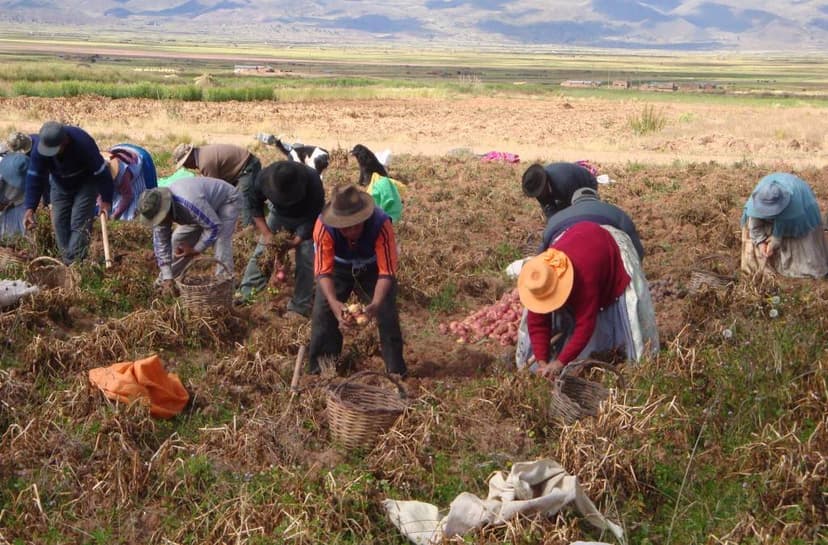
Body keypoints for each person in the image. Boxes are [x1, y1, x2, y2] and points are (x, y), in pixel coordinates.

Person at [517, 222, 658, 378]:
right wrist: (542, 361)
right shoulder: (541, 277)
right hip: (576, 237)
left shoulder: (585, 280)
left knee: (621, 338)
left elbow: (585, 325)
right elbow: (537, 322)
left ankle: (637, 372)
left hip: (607, 248)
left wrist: (560, 363)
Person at [308, 184, 406, 376]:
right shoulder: (323, 227)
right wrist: (334, 303)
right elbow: (323, 271)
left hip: (373, 267)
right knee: (323, 312)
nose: (350, 232)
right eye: (344, 228)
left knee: (387, 312)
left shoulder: (381, 223)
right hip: (338, 266)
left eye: (355, 226)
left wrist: (375, 304)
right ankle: (322, 370)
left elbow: (386, 271)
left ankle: (396, 371)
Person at [238, 161, 324, 316]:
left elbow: (313, 216)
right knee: (263, 252)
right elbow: (254, 206)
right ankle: (247, 293)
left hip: (306, 219)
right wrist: (267, 234)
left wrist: (297, 240)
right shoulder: (264, 178)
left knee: (305, 259)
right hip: (278, 215)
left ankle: (299, 306)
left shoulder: (312, 180)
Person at [23, 121, 114, 264]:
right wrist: (30, 208)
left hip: (86, 182)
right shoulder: (40, 149)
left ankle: (75, 264)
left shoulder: (83, 143)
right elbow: (35, 177)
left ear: (65, 141)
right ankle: (69, 262)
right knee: (59, 222)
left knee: (80, 223)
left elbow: (102, 172)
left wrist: (107, 199)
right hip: (59, 184)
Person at [136, 177, 240, 296]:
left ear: (167, 208)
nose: (161, 221)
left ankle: (224, 286)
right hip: (201, 213)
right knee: (178, 240)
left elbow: (214, 227)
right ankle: (166, 282)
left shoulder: (190, 202)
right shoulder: (156, 211)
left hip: (226, 201)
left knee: (221, 241)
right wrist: (167, 277)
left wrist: (196, 249)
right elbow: (161, 244)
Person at [740, 172, 828, 279]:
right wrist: (760, 242)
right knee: (751, 235)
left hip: (801, 213)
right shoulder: (754, 203)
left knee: (807, 261)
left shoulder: (795, 207)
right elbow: (754, 226)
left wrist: (775, 241)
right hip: (779, 209)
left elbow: (781, 227)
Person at [540, 187, 644, 261]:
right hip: (605, 257)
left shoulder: (556, 218)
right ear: (597, 199)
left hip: (566, 261)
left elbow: (542, 253)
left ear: (573, 202)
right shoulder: (616, 212)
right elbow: (636, 249)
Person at [172, 143, 261, 226]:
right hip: (239, 168)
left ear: (189, 158)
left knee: (243, 197)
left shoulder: (205, 163)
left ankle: (250, 228)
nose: (186, 167)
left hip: (248, 167)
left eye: (185, 164)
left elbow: (215, 191)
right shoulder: (201, 155)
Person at [522, 162, 598, 220]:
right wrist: (553, 222)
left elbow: (574, 207)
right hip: (565, 189)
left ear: (544, 184)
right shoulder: (540, 189)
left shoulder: (563, 183)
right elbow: (547, 208)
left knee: (582, 215)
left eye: (539, 192)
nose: (539, 196)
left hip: (587, 184)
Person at [101, 144, 157, 221]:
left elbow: (127, 196)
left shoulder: (122, 173)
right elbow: (98, 192)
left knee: (129, 213)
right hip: (120, 149)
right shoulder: (96, 172)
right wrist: (102, 208)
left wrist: (115, 215)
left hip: (137, 161)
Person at [0, 152, 29, 239]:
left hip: (16, 205)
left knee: (14, 236)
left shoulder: (26, 168)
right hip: (6, 202)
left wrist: (8, 204)